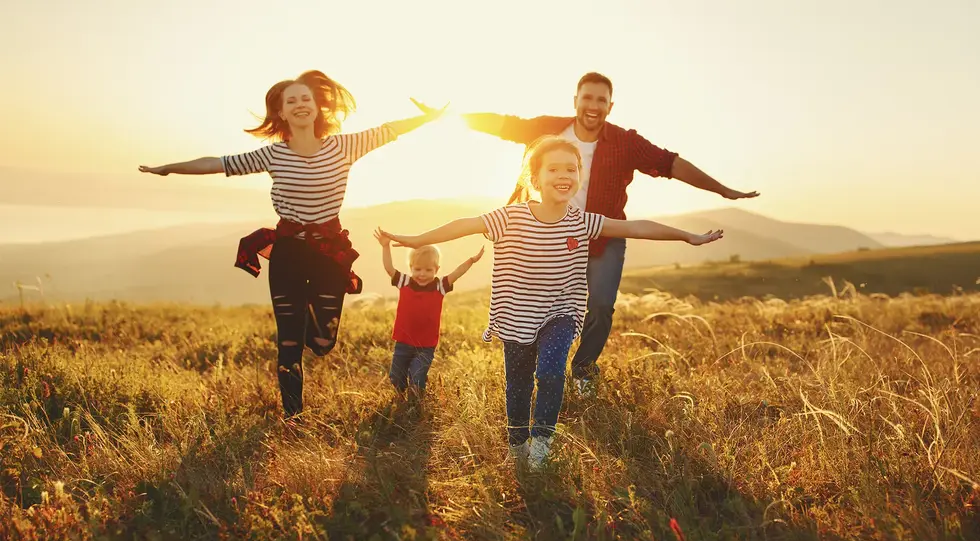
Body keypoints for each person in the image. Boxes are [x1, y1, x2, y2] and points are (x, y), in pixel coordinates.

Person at [379, 136, 723, 469]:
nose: (564, 176)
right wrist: (415, 240)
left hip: (561, 313)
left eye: (571, 169)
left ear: (579, 177)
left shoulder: (582, 221)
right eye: (554, 169)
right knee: (518, 385)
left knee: (551, 371)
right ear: (535, 179)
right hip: (515, 317)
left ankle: (542, 442)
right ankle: (518, 444)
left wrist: (686, 236)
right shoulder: (509, 218)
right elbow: (463, 225)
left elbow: (636, 227)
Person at [415, 72, 758, 398]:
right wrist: (447, 116)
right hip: (542, 233)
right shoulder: (549, 129)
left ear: (610, 106)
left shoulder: (625, 142)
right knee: (536, 303)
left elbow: (670, 163)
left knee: (601, 306)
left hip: (601, 234)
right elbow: (502, 124)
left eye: (602, 100)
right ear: (575, 100)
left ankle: (582, 370)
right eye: (587, 98)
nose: (593, 106)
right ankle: (535, 365)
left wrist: (723, 190)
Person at [139, 70, 445, 419]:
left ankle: (309, 335)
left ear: (317, 108)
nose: (300, 105)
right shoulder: (272, 155)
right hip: (288, 253)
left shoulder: (344, 146)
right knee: (288, 341)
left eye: (306, 99)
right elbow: (217, 163)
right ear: (281, 113)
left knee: (322, 342)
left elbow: (389, 130)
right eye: (291, 101)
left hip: (329, 253)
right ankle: (293, 415)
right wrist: (168, 168)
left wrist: (429, 116)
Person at [374, 230, 484, 399]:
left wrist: (471, 260)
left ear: (436, 269)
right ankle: (401, 403)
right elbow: (389, 268)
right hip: (403, 342)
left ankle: (416, 405)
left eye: (428, 269)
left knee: (417, 377)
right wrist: (385, 246)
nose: (422, 274)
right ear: (411, 268)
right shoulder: (405, 282)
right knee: (396, 378)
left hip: (426, 346)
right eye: (417, 269)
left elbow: (457, 273)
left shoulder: (440, 286)